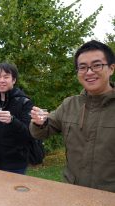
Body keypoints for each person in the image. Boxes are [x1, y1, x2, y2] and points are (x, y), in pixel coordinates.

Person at [30, 40, 115, 192]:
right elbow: (42, 132)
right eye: (82, 67)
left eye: (96, 65)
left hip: (109, 198)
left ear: (111, 68)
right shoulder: (70, 104)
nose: (89, 72)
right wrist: (39, 122)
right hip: (72, 192)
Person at [0, 63, 33, 174]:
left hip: (16, 164)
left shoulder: (24, 102)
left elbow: (29, 133)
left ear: (14, 80)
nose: (1, 80)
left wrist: (12, 120)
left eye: (6, 77)